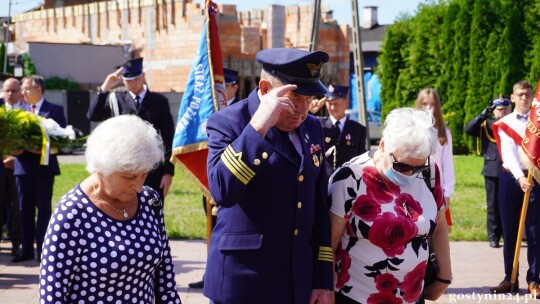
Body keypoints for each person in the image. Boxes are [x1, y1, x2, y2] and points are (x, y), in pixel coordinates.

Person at [204, 48, 333, 303]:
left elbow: (318, 206)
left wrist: (322, 279)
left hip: (297, 280)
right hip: (244, 281)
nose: (302, 110)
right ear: (265, 89)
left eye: (308, 100)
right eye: (294, 98)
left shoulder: (312, 127)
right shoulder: (229, 122)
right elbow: (222, 191)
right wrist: (258, 127)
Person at [38, 115, 181, 303]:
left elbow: (165, 278)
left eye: (144, 175)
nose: (138, 186)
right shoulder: (72, 214)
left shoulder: (149, 200)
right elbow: (52, 294)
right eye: (129, 177)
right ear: (101, 168)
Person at [329, 107, 452, 303]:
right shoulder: (350, 178)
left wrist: (444, 277)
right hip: (356, 297)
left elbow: (439, 226)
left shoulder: (430, 172)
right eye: (402, 166)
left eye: (418, 166)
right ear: (383, 145)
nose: (410, 174)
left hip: (412, 296)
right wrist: (325, 289)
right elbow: (329, 242)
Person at [87, 57, 175, 201]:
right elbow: (93, 115)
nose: (133, 83)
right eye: (128, 80)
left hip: (152, 169)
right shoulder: (115, 98)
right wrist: (104, 88)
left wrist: (168, 172)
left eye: (136, 78)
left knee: (151, 212)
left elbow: (168, 137)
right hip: (123, 169)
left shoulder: (159, 101)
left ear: (143, 76)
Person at [189, 67, 240, 289]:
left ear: (234, 87)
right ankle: (212, 269)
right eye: (217, 86)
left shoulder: (245, 111)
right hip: (212, 175)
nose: (219, 90)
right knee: (212, 226)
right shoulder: (210, 109)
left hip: (236, 177)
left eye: (224, 86)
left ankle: (228, 269)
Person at [490, 80, 540, 297]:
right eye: (520, 94)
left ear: (533, 98)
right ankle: (510, 277)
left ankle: (535, 279)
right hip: (512, 179)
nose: (524, 98)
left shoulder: (538, 122)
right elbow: (508, 154)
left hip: (535, 178)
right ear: (512, 97)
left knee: (535, 232)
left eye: (528, 94)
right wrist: (520, 177)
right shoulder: (505, 122)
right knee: (510, 231)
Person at [11, 75, 67, 263]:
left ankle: (43, 250)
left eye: (26, 88)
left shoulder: (55, 110)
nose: (23, 92)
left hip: (44, 169)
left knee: (43, 210)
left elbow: (63, 139)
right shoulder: (19, 111)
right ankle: (26, 249)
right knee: (24, 210)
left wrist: (43, 148)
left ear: (38, 89)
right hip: (23, 168)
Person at [465, 96, 511, 248]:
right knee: (493, 206)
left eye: (505, 109)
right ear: (494, 111)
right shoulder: (487, 124)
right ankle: (494, 236)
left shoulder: (514, 124)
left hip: (513, 170)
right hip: (493, 170)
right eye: (499, 110)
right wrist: (482, 115)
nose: (503, 112)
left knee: (512, 204)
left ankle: (511, 235)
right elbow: (469, 129)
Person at [415, 88, 455, 231]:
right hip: (415, 184)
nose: (428, 108)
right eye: (424, 104)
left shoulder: (444, 133)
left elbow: (448, 165)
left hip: (436, 186)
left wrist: (447, 192)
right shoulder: (412, 130)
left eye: (432, 104)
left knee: (438, 229)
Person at [313, 84, 367, 175]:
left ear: (346, 103)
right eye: (330, 104)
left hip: (348, 181)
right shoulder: (318, 125)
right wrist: (310, 112)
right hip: (324, 182)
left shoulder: (358, 129)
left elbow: (362, 159)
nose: (333, 108)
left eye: (336, 104)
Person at [0, 78, 24, 256]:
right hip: (1, 165)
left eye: (14, 90)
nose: (10, 94)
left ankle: (16, 242)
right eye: (7, 90)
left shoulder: (27, 112)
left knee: (17, 206)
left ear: (20, 91)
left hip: (20, 165)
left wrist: (16, 157)